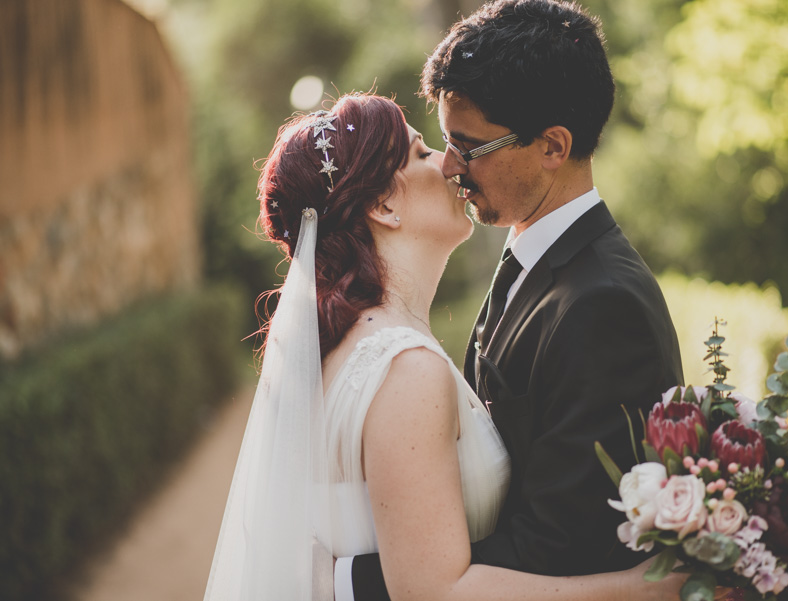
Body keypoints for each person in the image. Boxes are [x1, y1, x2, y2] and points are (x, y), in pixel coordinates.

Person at [203, 92, 689, 601]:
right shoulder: (405, 368)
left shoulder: (350, 348)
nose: (450, 162)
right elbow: (437, 592)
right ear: (384, 206)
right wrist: (646, 590)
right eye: (421, 153)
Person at [342, 0, 684, 599]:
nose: (448, 167)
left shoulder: (606, 308)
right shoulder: (530, 251)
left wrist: (348, 580)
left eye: (466, 147)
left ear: (552, 146)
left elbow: (557, 550)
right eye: (443, 142)